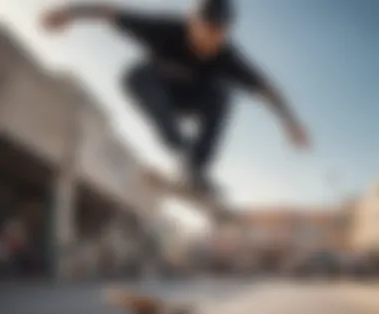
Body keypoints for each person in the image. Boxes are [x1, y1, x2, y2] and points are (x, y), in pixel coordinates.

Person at [41, 0, 310, 197]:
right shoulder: (165, 29)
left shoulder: (228, 57)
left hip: (197, 101)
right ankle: (179, 148)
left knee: (224, 95)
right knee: (136, 73)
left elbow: (267, 89)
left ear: (225, 34)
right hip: (158, 92)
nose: (208, 42)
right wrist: (68, 14)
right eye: (204, 32)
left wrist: (290, 122)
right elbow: (108, 13)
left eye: (217, 37)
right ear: (192, 22)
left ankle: (196, 169)